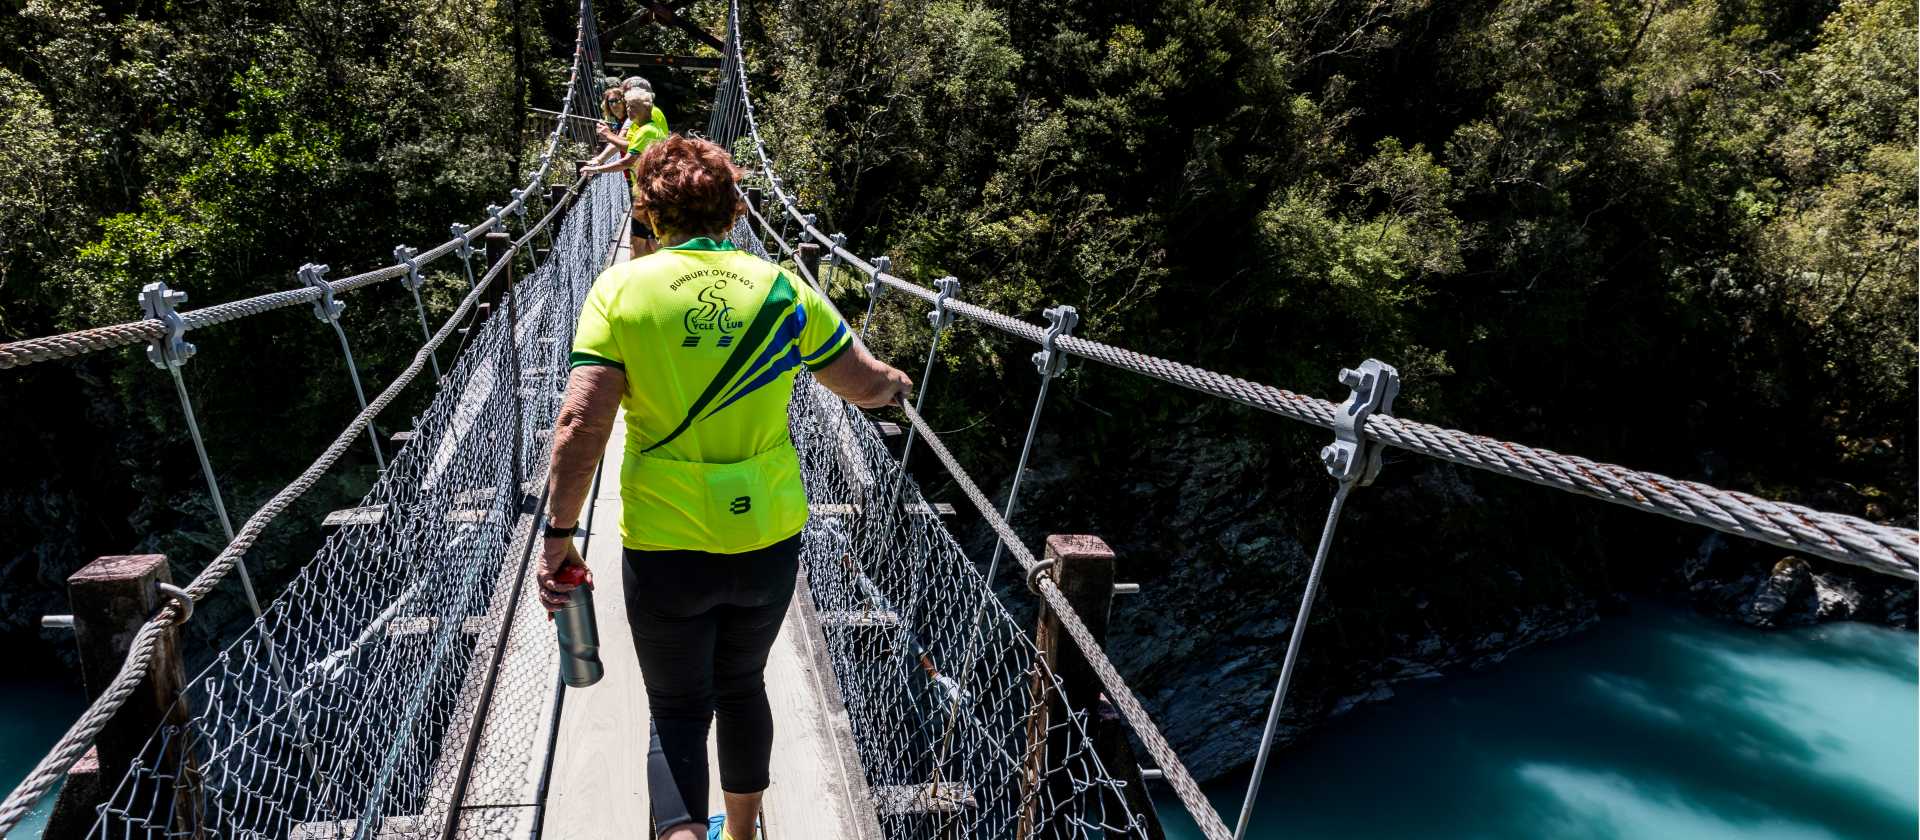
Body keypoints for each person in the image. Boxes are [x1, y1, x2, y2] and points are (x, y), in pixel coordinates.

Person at [539, 135, 912, 840]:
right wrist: (895, 383)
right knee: (743, 686)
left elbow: (579, 426)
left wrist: (559, 538)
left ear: (647, 215)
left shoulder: (620, 289)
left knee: (677, 706)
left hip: (666, 537)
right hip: (765, 536)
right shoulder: (781, 288)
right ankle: (742, 837)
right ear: (735, 212)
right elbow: (863, 385)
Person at [582, 88, 671, 257]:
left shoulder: (646, 131)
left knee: (648, 240)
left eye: (633, 107)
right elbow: (627, 147)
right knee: (646, 238)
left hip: (647, 193)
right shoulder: (643, 128)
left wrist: (596, 168)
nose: (628, 110)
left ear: (646, 109)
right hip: (648, 190)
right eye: (628, 106)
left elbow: (627, 161)